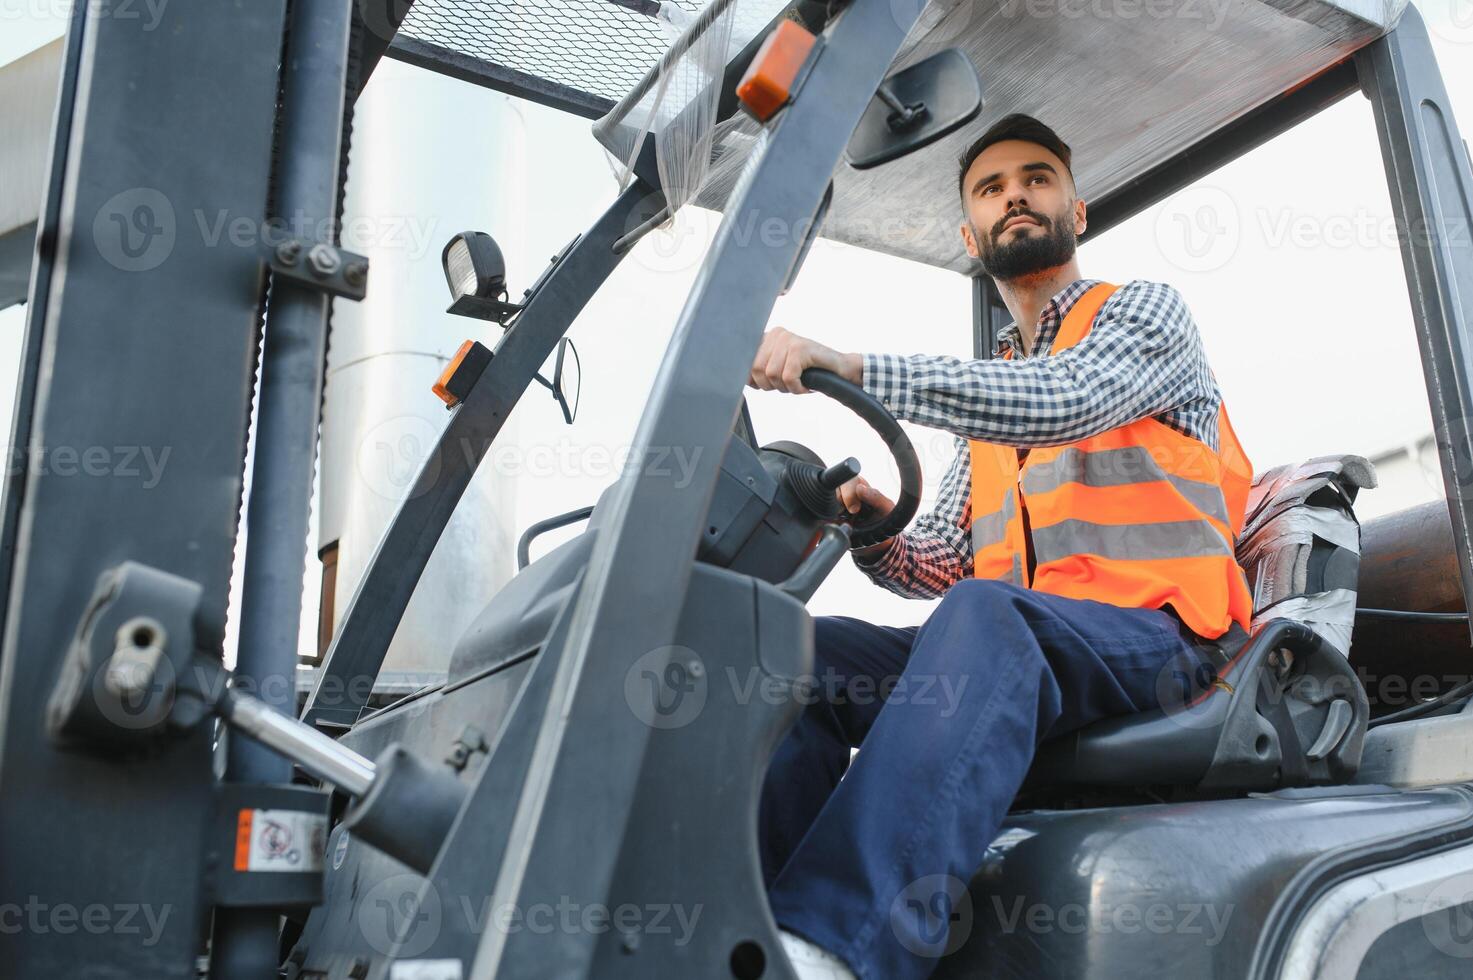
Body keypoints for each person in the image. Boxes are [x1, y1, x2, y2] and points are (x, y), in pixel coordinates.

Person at [746, 113, 1254, 980]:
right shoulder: (990, 406)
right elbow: (940, 562)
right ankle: (748, 922)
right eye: (990, 188)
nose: (1014, 194)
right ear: (968, 233)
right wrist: (873, 527)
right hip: (1028, 643)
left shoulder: (1140, 318)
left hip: (1164, 642)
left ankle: (832, 949)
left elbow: (1063, 398)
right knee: (799, 651)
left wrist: (852, 365)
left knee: (988, 617)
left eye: (1035, 178)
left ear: (1076, 211)